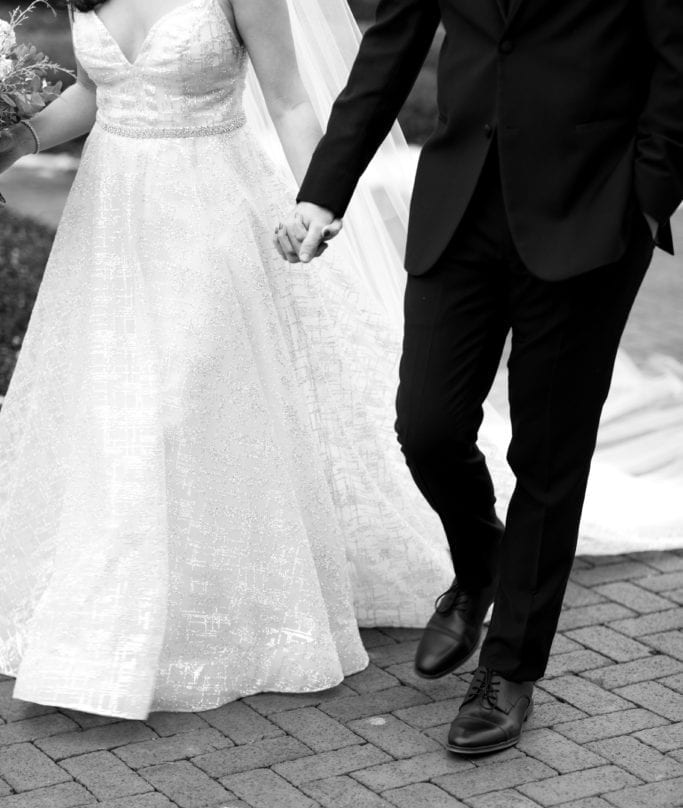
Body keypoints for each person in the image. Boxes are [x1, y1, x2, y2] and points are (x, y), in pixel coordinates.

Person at [0, 0, 454, 719]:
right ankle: (139, 609)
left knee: (166, 411)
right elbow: (97, 93)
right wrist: (19, 136)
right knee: (117, 412)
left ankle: (108, 643)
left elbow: (290, 99)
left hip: (210, 219)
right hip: (111, 225)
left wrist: (319, 204)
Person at [279, 0, 683, 754]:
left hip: (587, 211)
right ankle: (478, 564)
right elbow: (390, 49)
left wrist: (647, 195)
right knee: (425, 425)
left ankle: (508, 670)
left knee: (548, 453)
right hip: (459, 199)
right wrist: (323, 190)